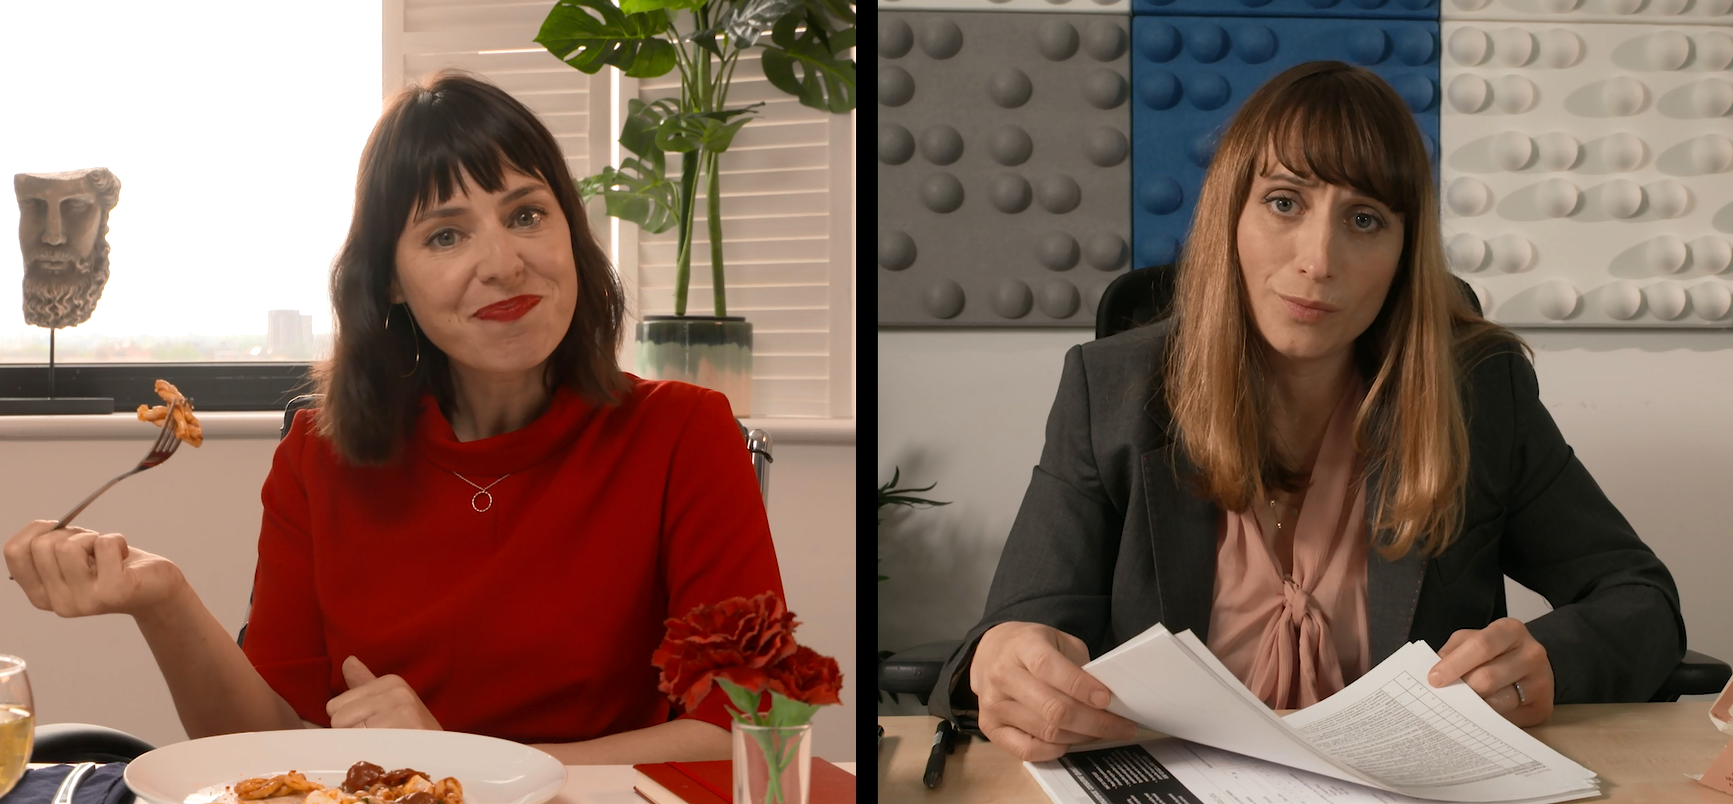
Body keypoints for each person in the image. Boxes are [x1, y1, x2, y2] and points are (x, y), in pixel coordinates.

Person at [2, 71, 783, 764]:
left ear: (570, 232)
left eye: (526, 215)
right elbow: (259, 745)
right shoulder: (318, 455)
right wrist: (161, 598)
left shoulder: (685, 432)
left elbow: (749, 733)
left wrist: (467, 764)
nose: (504, 263)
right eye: (445, 234)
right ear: (392, 284)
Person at [932, 61, 1685, 762]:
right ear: (1231, 215)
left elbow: (1639, 599)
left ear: (1403, 253)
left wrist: (1548, 658)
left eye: (1363, 220)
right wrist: (1003, 661)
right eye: (1284, 202)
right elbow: (1020, 624)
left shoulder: (1479, 391)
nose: (1317, 259)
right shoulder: (1111, 389)